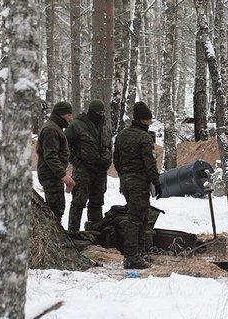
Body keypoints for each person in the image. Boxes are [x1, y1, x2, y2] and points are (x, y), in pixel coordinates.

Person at [112, 101, 160, 270]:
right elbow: (149, 163)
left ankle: (139, 253)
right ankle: (132, 256)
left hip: (126, 181)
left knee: (142, 216)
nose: (150, 122)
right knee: (136, 219)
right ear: (143, 120)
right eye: (149, 119)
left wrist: (123, 175)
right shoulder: (144, 138)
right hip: (138, 182)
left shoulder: (121, 135)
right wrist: (156, 181)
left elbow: (116, 159)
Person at [64, 99, 112, 233]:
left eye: (103, 112)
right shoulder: (77, 125)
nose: (101, 115)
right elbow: (65, 146)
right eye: (98, 112)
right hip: (83, 171)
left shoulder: (105, 126)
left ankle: (95, 232)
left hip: (100, 172)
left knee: (97, 203)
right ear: (91, 112)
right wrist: (77, 162)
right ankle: (73, 233)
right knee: (78, 203)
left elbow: (109, 146)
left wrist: (108, 160)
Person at [37, 101, 75, 220]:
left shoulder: (54, 127)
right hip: (51, 176)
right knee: (55, 211)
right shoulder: (51, 130)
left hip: (52, 175)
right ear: (61, 114)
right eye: (69, 115)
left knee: (55, 209)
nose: (71, 118)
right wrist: (62, 174)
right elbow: (50, 155)